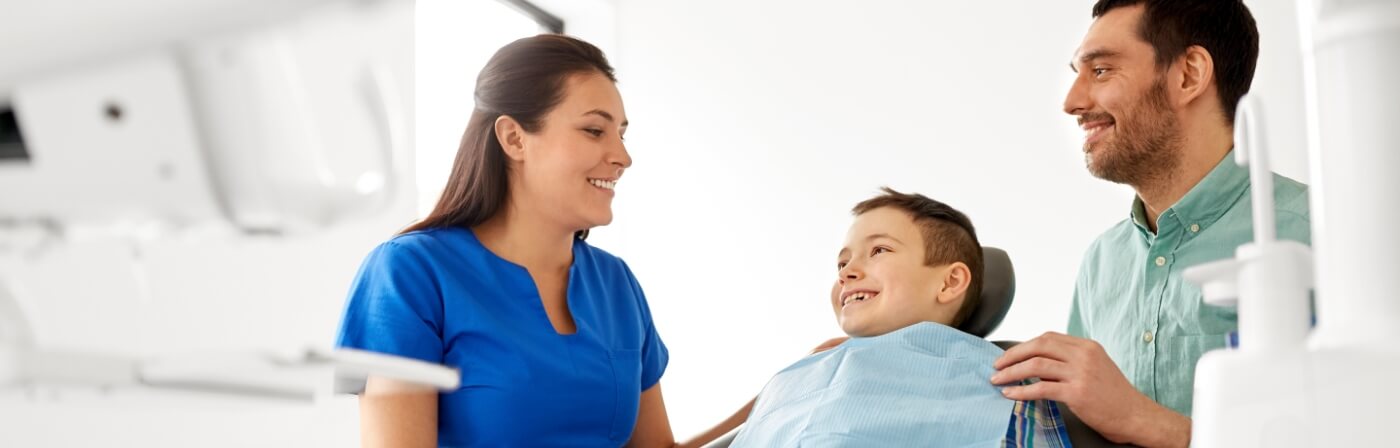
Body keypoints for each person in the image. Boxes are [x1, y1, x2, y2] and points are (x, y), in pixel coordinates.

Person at [335, 34, 748, 447]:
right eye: (594, 130)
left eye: (621, 133)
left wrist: (796, 385)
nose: (622, 156)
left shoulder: (616, 283)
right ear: (514, 138)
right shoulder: (409, 274)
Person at [991, 2, 1311, 447]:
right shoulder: (1102, 262)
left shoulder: (1325, 237)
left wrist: (1148, 422)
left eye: (1101, 70)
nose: (1072, 102)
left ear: (1189, 74)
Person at [731, 188, 1072, 447]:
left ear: (949, 281)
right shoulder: (798, 377)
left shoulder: (1013, 382)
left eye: (879, 250)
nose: (847, 272)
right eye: (842, 263)